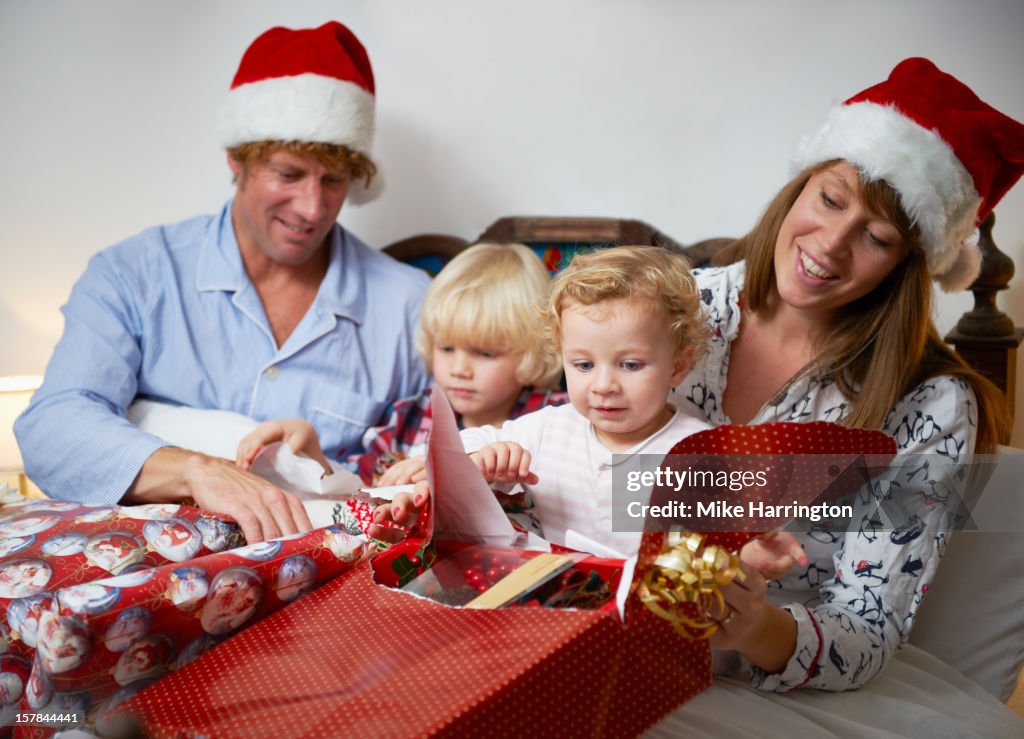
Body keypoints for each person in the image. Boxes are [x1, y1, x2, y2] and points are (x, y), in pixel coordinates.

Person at [670, 58, 1024, 693]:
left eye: (878, 236)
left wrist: (754, 628)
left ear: (908, 265)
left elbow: (866, 626)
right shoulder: (675, 311)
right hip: (613, 644)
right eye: (830, 199)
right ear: (800, 186)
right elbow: (574, 477)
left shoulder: (932, 404)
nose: (831, 243)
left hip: (764, 693)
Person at [14, 22, 430, 544]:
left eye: (333, 181)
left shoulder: (412, 304)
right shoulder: (134, 273)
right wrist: (196, 470)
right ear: (237, 157)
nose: (311, 208)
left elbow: (438, 469)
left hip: (332, 578)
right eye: (288, 174)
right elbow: (52, 426)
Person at [372, 246, 713, 555]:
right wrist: (481, 457)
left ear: (678, 367)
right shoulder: (551, 428)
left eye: (630, 365)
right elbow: (466, 443)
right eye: (583, 365)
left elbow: (747, 530)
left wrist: (756, 549)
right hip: (558, 600)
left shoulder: (700, 449)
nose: (604, 385)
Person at [236, 242, 567, 485]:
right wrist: (311, 452)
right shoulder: (411, 416)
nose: (459, 369)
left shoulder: (558, 420)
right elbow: (356, 493)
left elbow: (605, 495)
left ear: (532, 351)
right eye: (447, 348)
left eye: (485, 354)